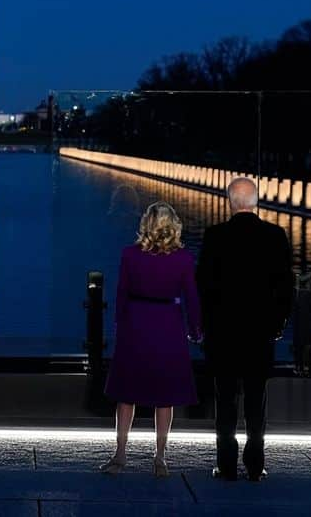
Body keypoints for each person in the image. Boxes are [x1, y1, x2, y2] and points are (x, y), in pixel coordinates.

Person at [196, 177, 293, 482]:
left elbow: (203, 286)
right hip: (259, 333)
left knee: (225, 400)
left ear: (230, 202)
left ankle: (226, 465)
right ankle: (255, 464)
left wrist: (206, 324)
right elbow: (286, 287)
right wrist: (278, 323)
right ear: (255, 202)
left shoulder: (215, 236)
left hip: (223, 333)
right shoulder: (275, 236)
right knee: (256, 399)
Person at [100, 202, 202, 478]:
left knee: (126, 394)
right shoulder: (183, 258)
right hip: (168, 323)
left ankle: (120, 454)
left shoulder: (130, 255)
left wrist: (119, 325)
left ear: (146, 223)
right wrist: (196, 328)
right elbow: (191, 297)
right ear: (173, 225)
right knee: (165, 396)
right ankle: (160, 458)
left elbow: (121, 294)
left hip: (136, 323)